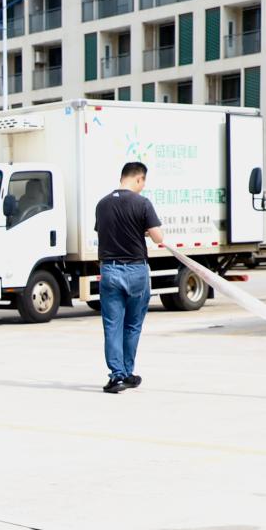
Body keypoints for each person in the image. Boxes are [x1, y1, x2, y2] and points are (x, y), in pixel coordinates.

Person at [92, 161, 164, 394]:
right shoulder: (142, 203)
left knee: (112, 326)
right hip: (136, 271)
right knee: (132, 325)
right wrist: (144, 230)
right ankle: (128, 372)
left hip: (110, 270)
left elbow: (105, 232)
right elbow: (158, 238)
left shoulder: (102, 204)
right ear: (139, 178)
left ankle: (117, 376)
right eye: (143, 182)